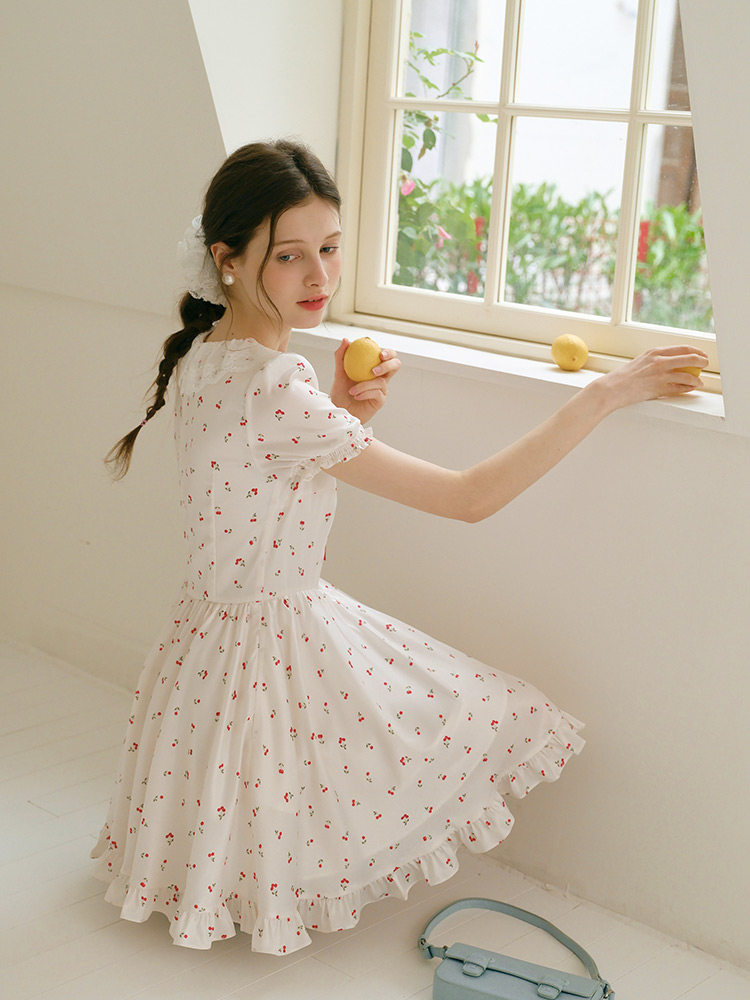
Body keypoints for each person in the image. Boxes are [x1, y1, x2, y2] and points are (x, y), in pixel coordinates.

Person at [92, 139, 708, 956]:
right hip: (271, 635)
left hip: (207, 640)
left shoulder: (208, 359)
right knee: (460, 715)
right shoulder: (275, 385)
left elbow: (258, 478)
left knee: (264, 780)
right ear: (227, 260)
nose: (319, 275)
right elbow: (468, 499)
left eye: (331, 248)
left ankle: (228, 891)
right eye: (289, 256)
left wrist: (346, 413)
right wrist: (605, 392)